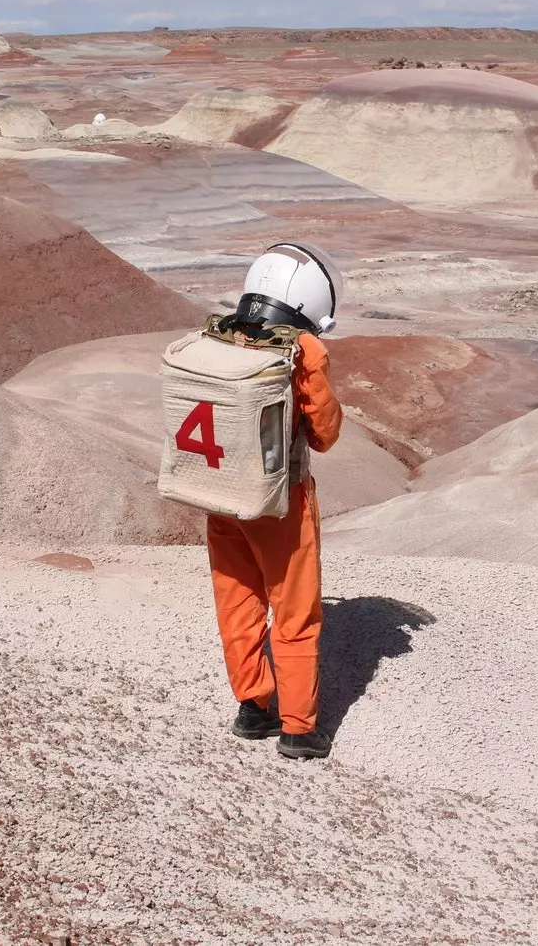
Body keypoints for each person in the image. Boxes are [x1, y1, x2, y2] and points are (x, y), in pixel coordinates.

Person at [208, 243, 344, 760]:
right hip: (278, 500)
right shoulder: (302, 348)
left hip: (219, 492)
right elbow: (324, 432)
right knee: (294, 610)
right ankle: (298, 727)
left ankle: (252, 705)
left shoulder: (219, 333)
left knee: (237, 599)